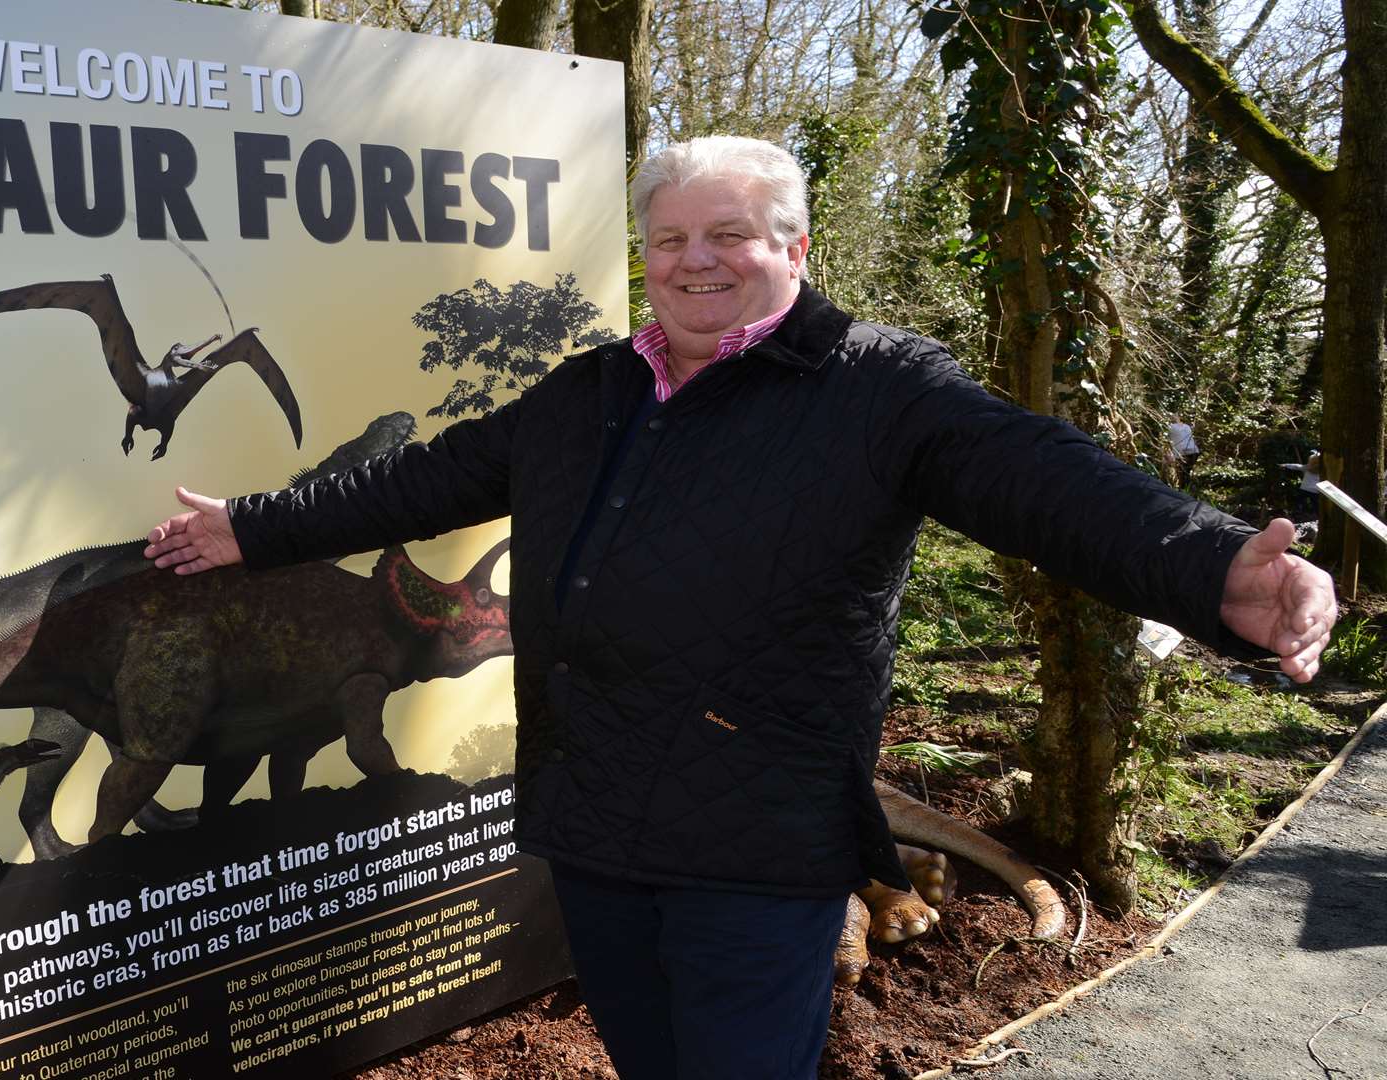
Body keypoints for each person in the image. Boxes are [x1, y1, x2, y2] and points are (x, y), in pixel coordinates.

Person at [143, 137, 1336, 1079]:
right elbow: (420, 479)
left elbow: (1049, 483)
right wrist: (251, 527)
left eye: (728, 236)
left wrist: (1215, 565)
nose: (694, 261)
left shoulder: (879, 389)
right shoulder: (588, 392)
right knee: (650, 1058)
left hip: (756, 837)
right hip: (596, 814)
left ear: (796, 247)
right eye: (669, 240)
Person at [1169, 420, 1202, 488]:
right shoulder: (1186, 426)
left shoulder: (1170, 427)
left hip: (1183, 452)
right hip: (1194, 451)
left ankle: (1183, 489)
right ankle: (1187, 488)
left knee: (1182, 473)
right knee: (1186, 472)